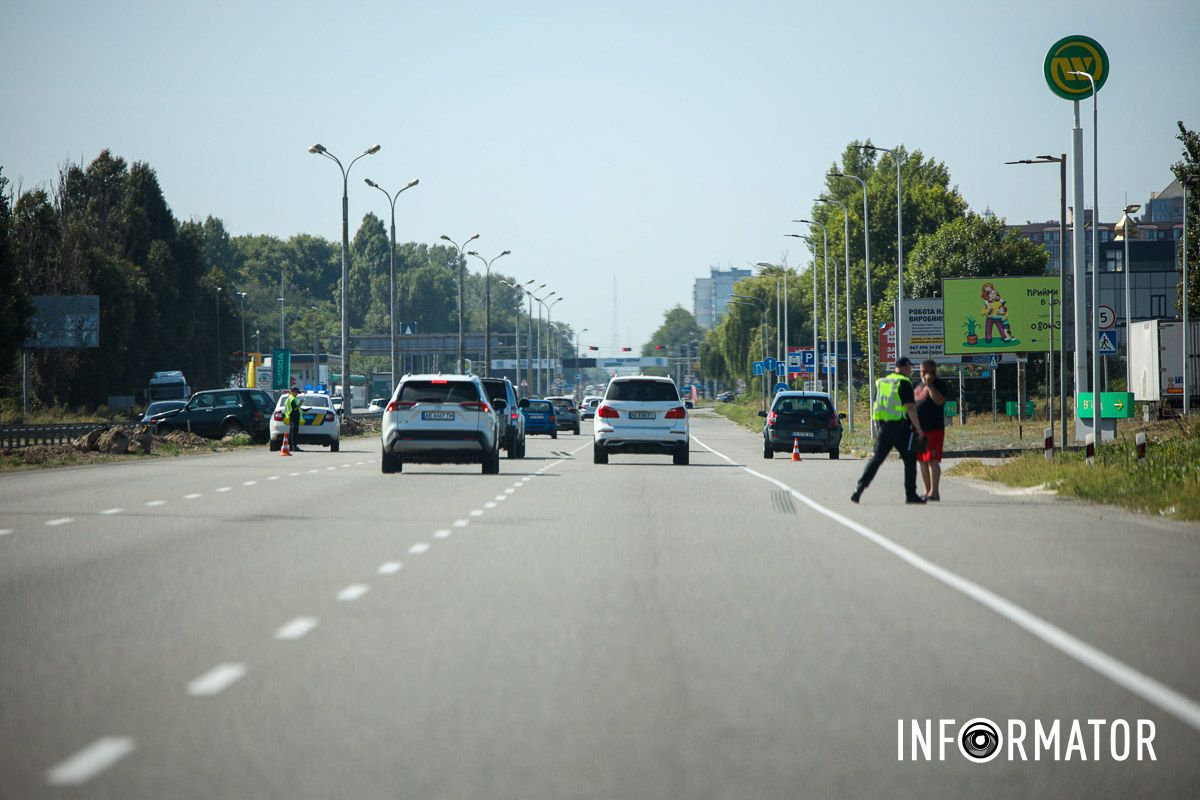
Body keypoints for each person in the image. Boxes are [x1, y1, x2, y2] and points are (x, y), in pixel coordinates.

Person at [851, 357, 927, 505]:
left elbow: (876, 405)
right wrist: (919, 429)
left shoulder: (882, 382)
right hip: (900, 427)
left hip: (884, 427)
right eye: (909, 368)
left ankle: (858, 489)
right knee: (910, 460)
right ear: (905, 367)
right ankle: (910, 494)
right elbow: (910, 408)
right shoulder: (904, 382)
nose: (910, 370)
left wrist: (877, 426)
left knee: (876, 459)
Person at [915, 359, 949, 501]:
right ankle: (927, 490)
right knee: (922, 460)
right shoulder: (918, 385)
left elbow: (939, 401)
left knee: (932, 460)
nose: (922, 374)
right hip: (919, 430)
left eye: (924, 371)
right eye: (921, 371)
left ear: (932, 371)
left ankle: (935, 492)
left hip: (933, 429)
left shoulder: (939, 384)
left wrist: (929, 385)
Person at [284, 386, 302, 451]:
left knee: (292, 431)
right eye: (296, 392)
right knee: (294, 432)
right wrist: (301, 403)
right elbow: (295, 408)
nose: (297, 394)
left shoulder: (292, 398)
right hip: (294, 416)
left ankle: (291, 447)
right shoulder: (292, 399)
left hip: (293, 416)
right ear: (292, 392)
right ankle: (294, 446)